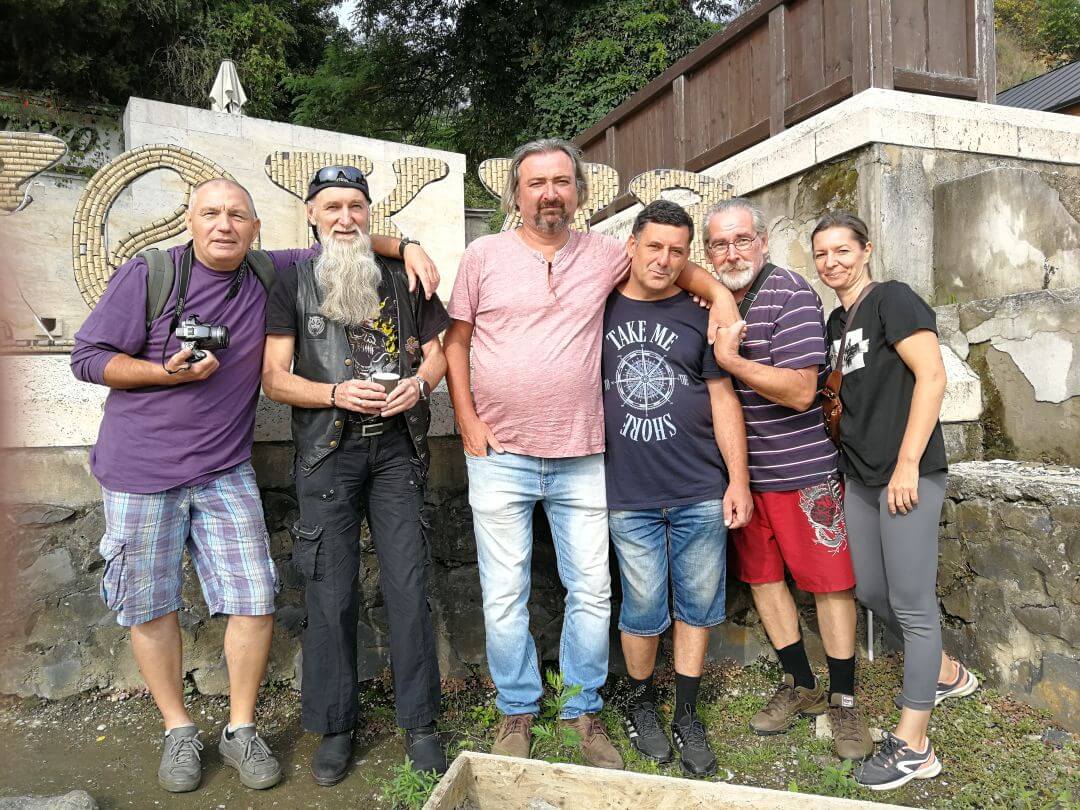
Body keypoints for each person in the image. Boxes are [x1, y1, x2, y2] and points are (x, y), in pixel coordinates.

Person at [70, 175, 439, 794]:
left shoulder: (269, 272)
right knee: (150, 604)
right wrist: (164, 373)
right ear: (190, 221)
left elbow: (345, 234)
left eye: (237, 215)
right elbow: (86, 358)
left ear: (257, 227)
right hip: (140, 469)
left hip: (224, 468)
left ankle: (241, 729)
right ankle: (177, 729)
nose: (224, 225)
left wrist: (408, 246)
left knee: (255, 598)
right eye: (211, 213)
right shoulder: (150, 275)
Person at [444, 138, 736, 769]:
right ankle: (516, 708)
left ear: (578, 192)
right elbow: (456, 341)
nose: (549, 194)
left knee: (593, 591)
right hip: (499, 453)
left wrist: (723, 297)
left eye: (561, 182)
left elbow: (674, 265)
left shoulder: (604, 253)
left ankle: (582, 708)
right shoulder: (483, 255)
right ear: (515, 193)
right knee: (503, 593)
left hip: (581, 455)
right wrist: (466, 418)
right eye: (536, 183)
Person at [262, 166, 450, 784]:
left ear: (370, 213)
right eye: (332, 207)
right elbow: (274, 378)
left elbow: (439, 352)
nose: (346, 218)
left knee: (409, 586)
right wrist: (334, 393)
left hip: (397, 451)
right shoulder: (291, 280)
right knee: (330, 592)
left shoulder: (404, 273)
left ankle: (420, 723)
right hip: (327, 455)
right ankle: (335, 725)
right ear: (312, 214)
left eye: (356, 207)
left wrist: (421, 385)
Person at [812, 211, 978, 791]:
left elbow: (932, 377)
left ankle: (914, 746)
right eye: (822, 253)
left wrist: (908, 463)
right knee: (870, 590)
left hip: (907, 474)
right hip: (860, 478)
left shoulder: (894, 299)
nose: (832, 262)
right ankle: (946, 673)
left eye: (842, 250)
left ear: (866, 250)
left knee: (911, 603)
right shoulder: (837, 321)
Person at [706, 198, 872, 761]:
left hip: (804, 474)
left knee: (830, 584)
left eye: (742, 240)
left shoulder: (791, 293)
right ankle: (801, 684)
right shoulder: (717, 297)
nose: (732, 253)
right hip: (743, 477)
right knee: (764, 580)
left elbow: (802, 391)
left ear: (763, 242)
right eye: (719, 244)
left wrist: (732, 361)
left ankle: (844, 700)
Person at [602, 200, 752, 777]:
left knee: (699, 602)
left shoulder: (698, 315)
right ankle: (641, 703)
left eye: (677, 251)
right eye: (654, 247)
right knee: (641, 606)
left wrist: (737, 479)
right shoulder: (600, 305)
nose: (664, 260)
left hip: (699, 487)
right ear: (631, 246)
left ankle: (686, 713)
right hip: (629, 492)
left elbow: (723, 398)